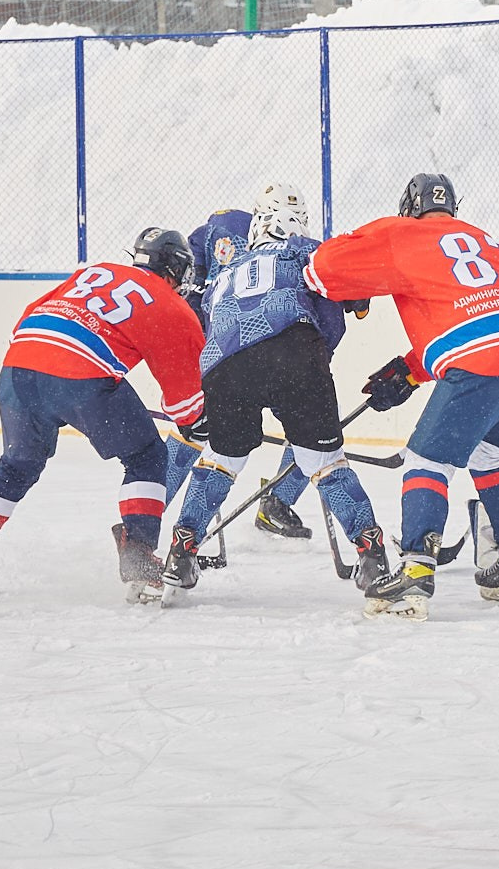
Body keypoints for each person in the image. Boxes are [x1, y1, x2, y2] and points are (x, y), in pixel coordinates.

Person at [301, 172, 499, 618]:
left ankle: (415, 572)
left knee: (426, 461)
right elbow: (481, 317)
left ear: (409, 206)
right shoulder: (488, 240)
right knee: (491, 457)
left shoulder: (401, 231)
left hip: (484, 360)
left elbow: (321, 271)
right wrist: (410, 370)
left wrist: (353, 261)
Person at [0, 228, 208, 602]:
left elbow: (30, 316)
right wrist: (200, 420)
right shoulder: (170, 303)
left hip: (20, 365)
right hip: (81, 377)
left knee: (17, 465)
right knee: (146, 455)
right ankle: (139, 556)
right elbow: (185, 406)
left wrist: (54, 385)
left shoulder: (95, 272)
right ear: (176, 270)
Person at [161, 184, 388, 600]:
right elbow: (339, 303)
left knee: (222, 457)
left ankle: (182, 549)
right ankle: (371, 555)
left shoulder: (224, 270)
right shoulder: (305, 250)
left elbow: (205, 321)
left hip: (223, 366)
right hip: (294, 354)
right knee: (324, 462)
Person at [184, 204, 313, 539]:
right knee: (315, 430)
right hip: (268, 354)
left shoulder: (222, 230)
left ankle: (157, 531)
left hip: (217, 353)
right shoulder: (295, 249)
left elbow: (191, 284)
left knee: (203, 443)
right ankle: (278, 502)